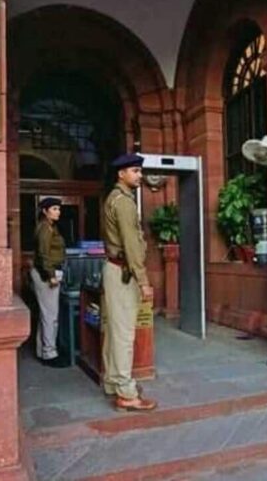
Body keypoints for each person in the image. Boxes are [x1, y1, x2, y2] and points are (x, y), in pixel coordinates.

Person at [101, 153, 157, 411]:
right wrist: (143, 280)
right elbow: (132, 245)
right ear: (121, 174)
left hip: (115, 269)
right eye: (135, 171)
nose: (140, 175)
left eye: (139, 171)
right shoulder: (123, 202)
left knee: (114, 330)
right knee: (124, 333)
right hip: (123, 272)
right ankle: (126, 392)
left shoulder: (114, 198)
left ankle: (114, 382)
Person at [31, 196, 68, 368]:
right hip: (46, 274)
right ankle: (49, 353)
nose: (58, 212)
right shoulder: (45, 229)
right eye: (54, 209)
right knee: (50, 316)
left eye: (58, 209)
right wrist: (51, 275)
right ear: (45, 211)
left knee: (46, 314)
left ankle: (43, 351)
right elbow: (43, 254)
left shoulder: (50, 227)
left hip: (47, 272)